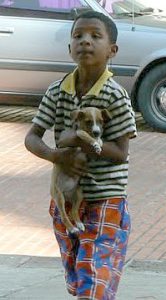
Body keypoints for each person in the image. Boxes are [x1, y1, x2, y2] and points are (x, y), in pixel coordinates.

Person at [25, 10, 137, 300]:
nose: (85, 41)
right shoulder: (57, 91)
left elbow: (121, 152)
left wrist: (78, 139)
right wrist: (56, 155)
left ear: (112, 50)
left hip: (105, 198)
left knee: (93, 273)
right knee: (76, 273)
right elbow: (32, 137)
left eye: (95, 36)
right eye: (78, 36)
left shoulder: (115, 96)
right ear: (69, 48)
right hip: (66, 199)